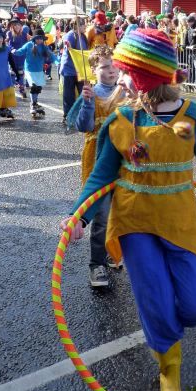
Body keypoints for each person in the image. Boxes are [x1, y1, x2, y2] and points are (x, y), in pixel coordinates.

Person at [60, 28, 196, 391]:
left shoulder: (190, 116)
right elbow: (101, 177)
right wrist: (80, 214)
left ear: (143, 74)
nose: (121, 76)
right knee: (156, 302)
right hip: (134, 223)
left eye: (127, 69)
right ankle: (169, 368)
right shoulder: (121, 119)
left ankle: (164, 334)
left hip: (179, 222)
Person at [67, 45, 124, 286]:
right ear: (93, 70)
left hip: (123, 160)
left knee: (120, 212)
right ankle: (96, 264)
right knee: (100, 214)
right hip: (98, 161)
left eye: (113, 65)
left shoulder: (125, 92)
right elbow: (84, 126)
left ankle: (113, 253)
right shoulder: (91, 94)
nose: (111, 70)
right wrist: (87, 104)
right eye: (104, 66)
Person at [12, 29, 58, 116]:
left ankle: (35, 102)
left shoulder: (44, 47)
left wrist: (57, 62)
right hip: (29, 70)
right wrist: (14, 51)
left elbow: (52, 56)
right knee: (33, 86)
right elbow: (20, 51)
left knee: (38, 88)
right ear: (34, 39)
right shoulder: (29, 45)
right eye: (37, 38)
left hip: (39, 70)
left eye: (41, 38)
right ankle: (33, 105)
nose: (39, 40)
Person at [59, 17, 88, 124]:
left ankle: (80, 114)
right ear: (77, 26)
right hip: (69, 69)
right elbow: (68, 50)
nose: (85, 26)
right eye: (83, 25)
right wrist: (69, 47)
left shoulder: (83, 36)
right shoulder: (71, 35)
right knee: (69, 95)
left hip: (79, 70)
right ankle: (67, 115)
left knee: (82, 93)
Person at [6, 18, 29, 98]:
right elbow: (8, 44)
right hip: (13, 56)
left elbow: (27, 43)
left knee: (20, 73)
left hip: (21, 56)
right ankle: (11, 90)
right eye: (15, 25)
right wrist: (12, 49)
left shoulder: (24, 34)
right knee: (12, 73)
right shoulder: (9, 33)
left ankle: (21, 88)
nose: (17, 26)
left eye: (18, 25)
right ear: (12, 26)